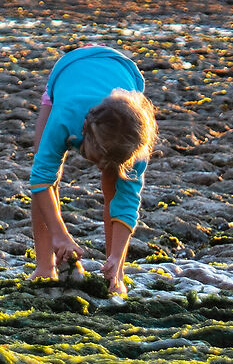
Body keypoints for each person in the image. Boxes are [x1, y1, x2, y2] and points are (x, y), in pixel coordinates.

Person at [29, 43, 157, 296]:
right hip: (68, 71)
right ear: (83, 132)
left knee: (116, 182)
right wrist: (59, 235)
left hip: (123, 73)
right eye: (97, 159)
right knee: (43, 166)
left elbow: (128, 200)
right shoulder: (65, 118)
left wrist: (117, 258)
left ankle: (115, 273)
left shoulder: (135, 140)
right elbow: (40, 178)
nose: (98, 167)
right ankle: (45, 266)